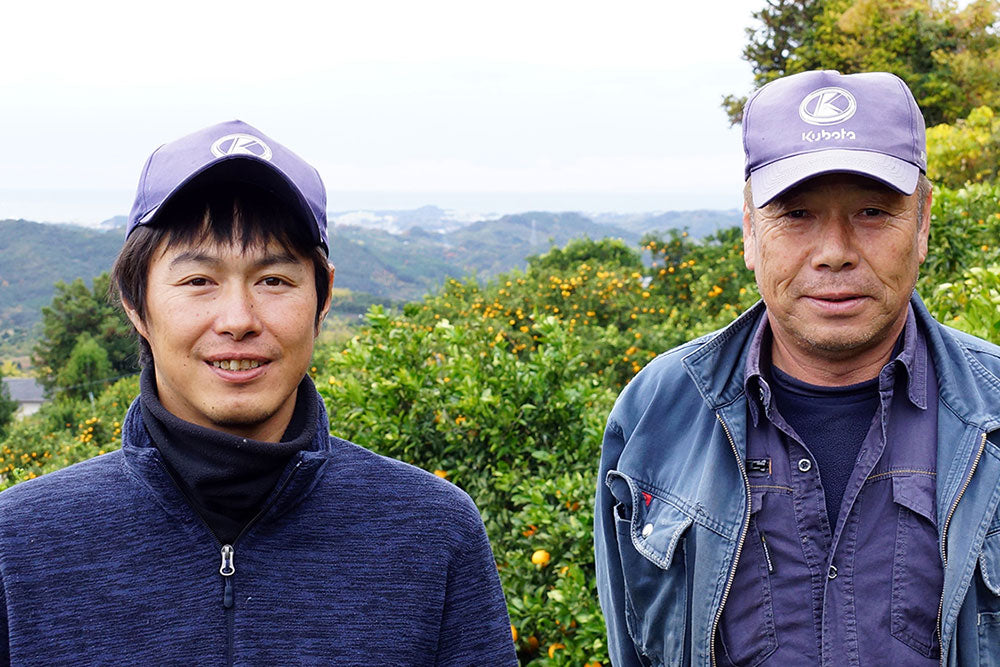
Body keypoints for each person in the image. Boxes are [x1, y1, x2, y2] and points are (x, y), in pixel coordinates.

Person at [0, 120, 518, 665]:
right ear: (136, 303)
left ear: (322, 299)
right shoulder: (22, 544)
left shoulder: (430, 532)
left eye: (274, 280)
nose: (238, 320)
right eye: (198, 280)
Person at [594, 70, 1000, 666]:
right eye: (797, 214)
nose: (834, 251)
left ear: (922, 223)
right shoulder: (657, 411)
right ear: (750, 229)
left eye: (871, 211)